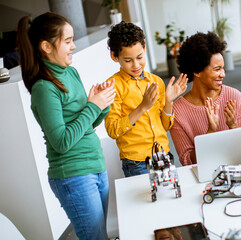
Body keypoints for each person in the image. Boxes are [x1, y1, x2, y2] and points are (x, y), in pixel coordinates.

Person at [17, 12, 115, 239]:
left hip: (96, 166)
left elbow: (88, 125)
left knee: (101, 235)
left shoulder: (71, 72)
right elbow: (61, 142)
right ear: (46, 46)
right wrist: (92, 106)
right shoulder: (44, 88)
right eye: (68, 41)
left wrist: (102, 104)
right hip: (73, 175)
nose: (73, 46)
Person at [104, 21, 187, 177]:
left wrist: (169, 102)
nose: (136, 65)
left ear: (144, 49)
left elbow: (166, 126)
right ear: (115, 56)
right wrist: (142, 107)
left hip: (163, 155)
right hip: (136, 163)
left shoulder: (156, 82)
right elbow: (113, 130)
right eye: (128, 60)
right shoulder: (112, 87)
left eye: (140, 57)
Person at [170, 32, 241, 166]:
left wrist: (233, 126)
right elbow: (187, 161)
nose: (223, 74)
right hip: (202, 175)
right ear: (197, 71)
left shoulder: (235, 97)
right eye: (217, 69)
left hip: (237, 167)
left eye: (223, 68)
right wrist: (210, 132)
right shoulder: (178, 112)